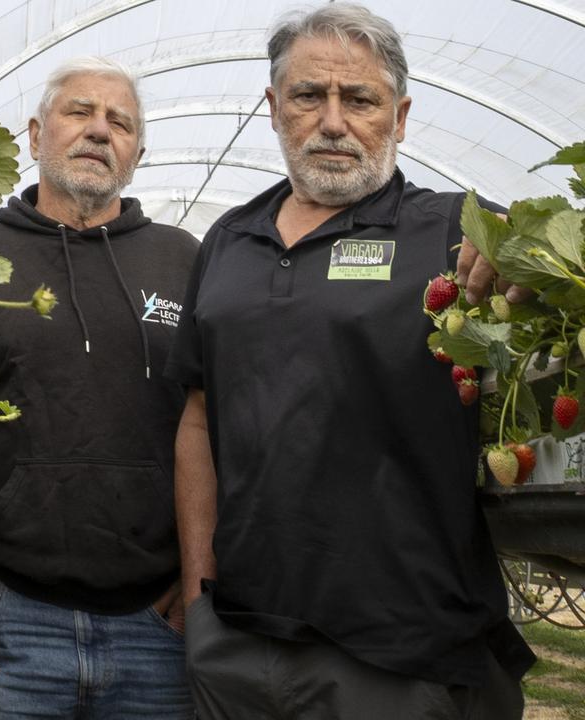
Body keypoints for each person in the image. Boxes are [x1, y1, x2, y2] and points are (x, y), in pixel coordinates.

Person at [163, 4, 536, 718]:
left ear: (398, 117)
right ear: (274, 108)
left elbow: (531, 262)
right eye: (309, 96)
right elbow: (197, 419)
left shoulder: (452, 231)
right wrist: (198, 597)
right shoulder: (228, 241)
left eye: (359, 99)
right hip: (238, 642)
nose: (333, 122)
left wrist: (518, 248)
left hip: (400, 656)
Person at [0, 56, 200, 719]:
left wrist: (199, 584)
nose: (100, 130)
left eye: (119, 122)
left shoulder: (184, 261)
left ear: (136, 153)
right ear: (36, 137)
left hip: (155, 630)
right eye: (80, 112)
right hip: (8, 621)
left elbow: (222, 427)